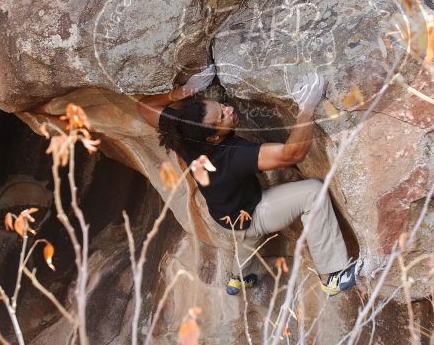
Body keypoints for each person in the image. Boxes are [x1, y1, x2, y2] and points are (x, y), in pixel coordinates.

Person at [137, 64, 357, 296]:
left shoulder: (183, 134)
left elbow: (143, 108)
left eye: (221, 106)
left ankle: (239, 279)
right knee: (313, 192)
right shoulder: (232, 156)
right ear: (213, 136)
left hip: (226, 216)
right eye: (222, 116)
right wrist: (307, 108)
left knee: (244, 241)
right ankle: (333, 276)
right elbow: (292, 154)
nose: (229, 109)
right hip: (253, 214)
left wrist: (183, 92)